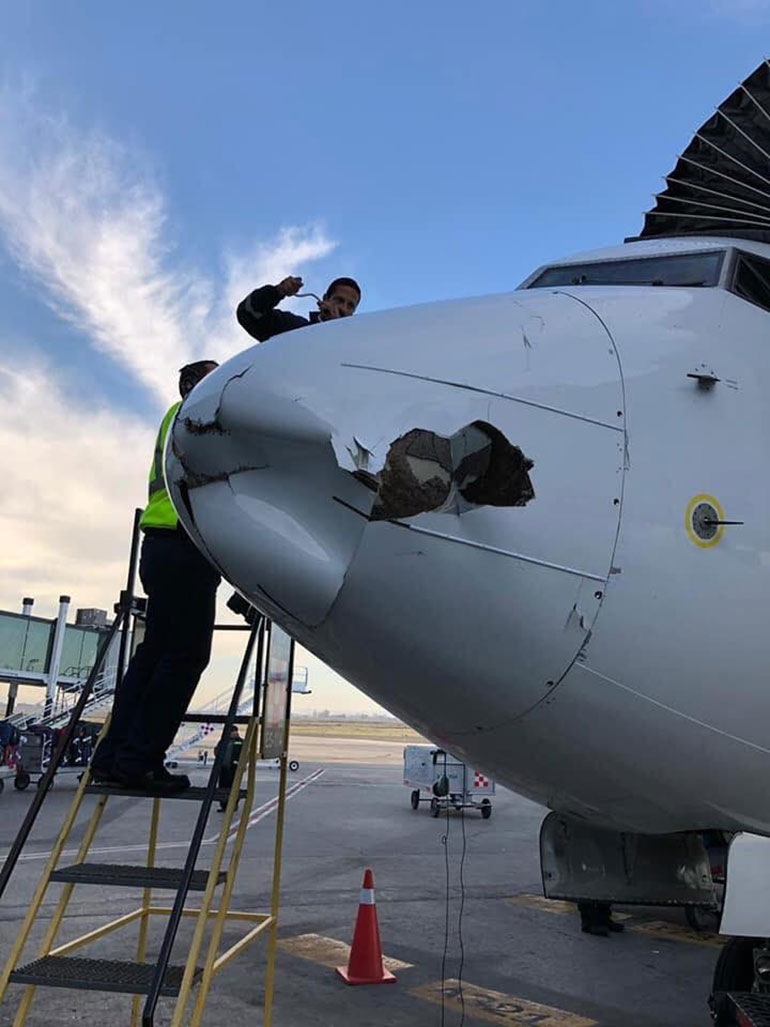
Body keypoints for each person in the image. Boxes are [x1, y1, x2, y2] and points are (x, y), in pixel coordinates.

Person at [92, 360, 221, 793]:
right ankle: (140, 759)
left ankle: (112, 758)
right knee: (185, 658)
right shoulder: (194, 416)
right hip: (186, 545)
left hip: (159, 545)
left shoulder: (173, 416)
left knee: (153, 655)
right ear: (195, 385)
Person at [236, 275, 361, 342]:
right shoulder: (294, 329)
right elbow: (248, 314)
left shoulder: (354, 346)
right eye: (339, 300)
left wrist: (336, 332)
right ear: (325, 299)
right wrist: (277, 292)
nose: (344, 308)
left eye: (350, 306)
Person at [215, 725, 243, 812]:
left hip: (234, 769)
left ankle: (233, 805)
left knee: (233, 787)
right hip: (223, 769)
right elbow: (217, 750)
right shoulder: (223, 741)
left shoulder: (241, 742)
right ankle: (224, 805)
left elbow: (245, 753)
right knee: (223, 787)